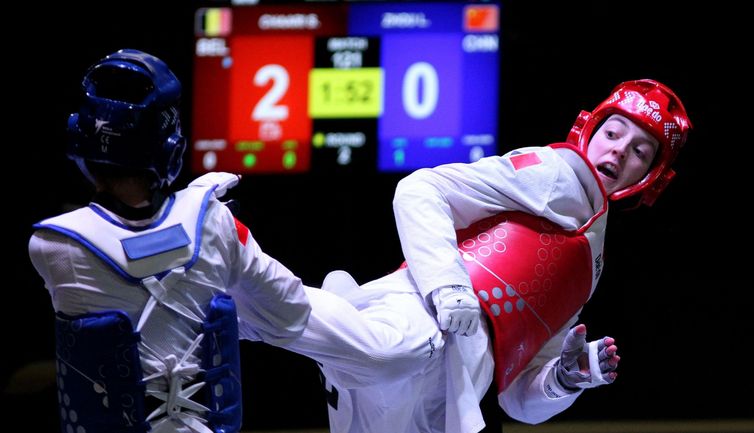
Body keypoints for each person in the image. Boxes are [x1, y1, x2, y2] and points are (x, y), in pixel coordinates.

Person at [281, 79, 692, 433]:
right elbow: (419, 190)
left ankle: (337, 324)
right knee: (384, 354)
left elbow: (518, 397)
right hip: (429, 320)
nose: (620, 151)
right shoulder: (551, 172)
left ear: (651, 179)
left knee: (372, 366)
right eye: (614, 133)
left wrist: (563, 381)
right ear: (589, 129)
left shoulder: (592, 263)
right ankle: (237, 261)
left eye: (640, 151)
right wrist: (449, 288)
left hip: (450, 394)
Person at [28, 49, 310, 433]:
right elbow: (292, 310)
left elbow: (125, 250)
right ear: (168, 145)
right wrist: (221, 229)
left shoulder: (52, 244)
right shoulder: (212, 218)